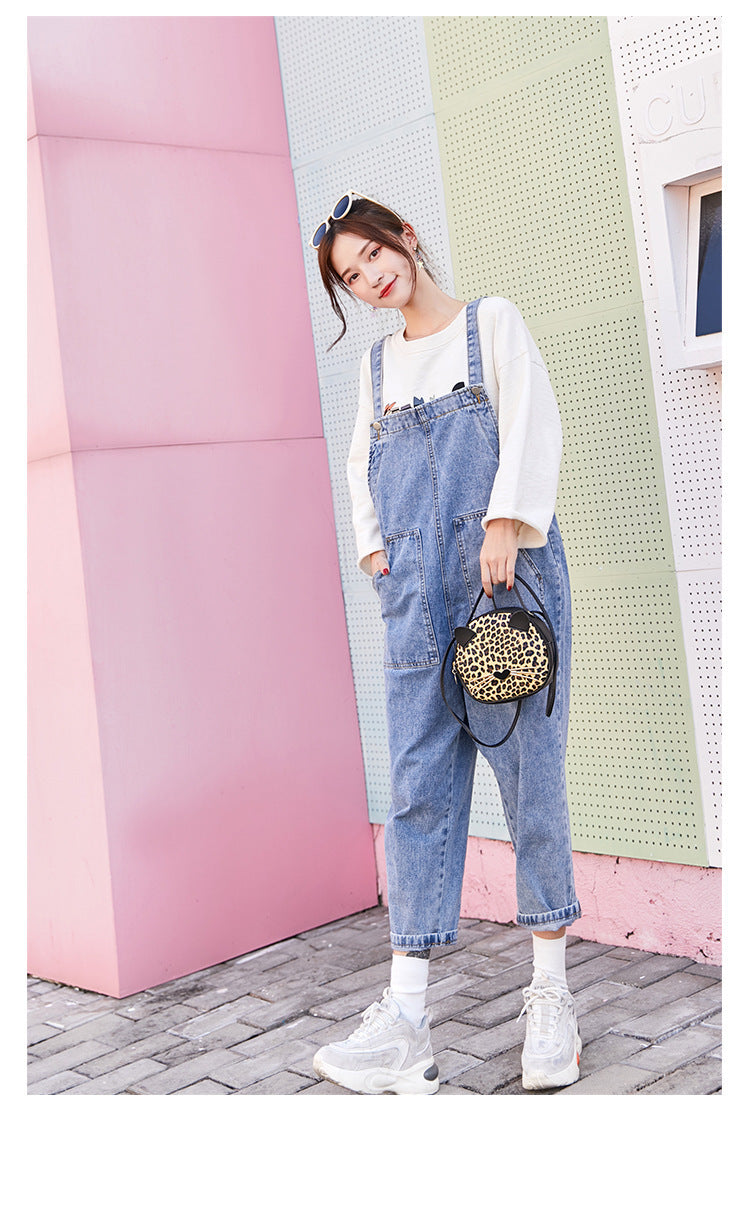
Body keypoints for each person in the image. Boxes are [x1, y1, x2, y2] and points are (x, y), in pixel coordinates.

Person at [309, 191, 582, 1094]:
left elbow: (533, 423)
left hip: (501, 585)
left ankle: (551, 998)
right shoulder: (376, 367)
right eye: (351, 277)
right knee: (418, 794)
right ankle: (405, 1022)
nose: (371, 278)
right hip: (415, 599)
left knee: (530, 783)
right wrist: (375, 552)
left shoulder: (489, 324)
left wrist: (505, 522)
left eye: (373, 255)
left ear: (406, 237)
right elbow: (362, 467)